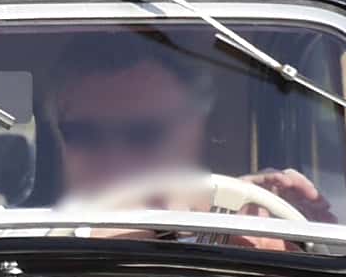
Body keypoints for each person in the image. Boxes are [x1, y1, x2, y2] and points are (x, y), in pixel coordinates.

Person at [39, 31, 317, 216]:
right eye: (84, 135)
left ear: (200, 135)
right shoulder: (18, 259)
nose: (115, 157)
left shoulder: (248, 238)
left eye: (144, 134)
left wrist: (270, 222)